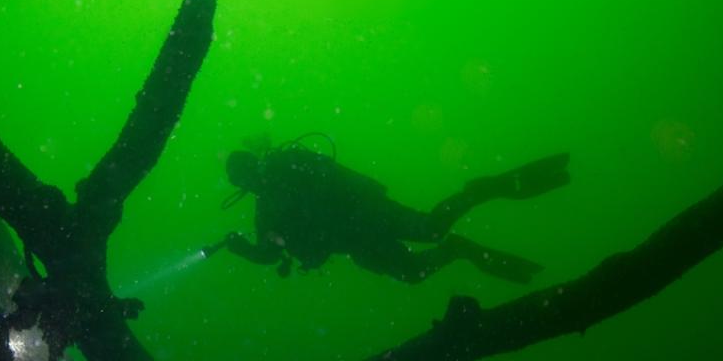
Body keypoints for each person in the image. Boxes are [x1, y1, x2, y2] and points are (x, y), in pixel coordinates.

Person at [207, 143, 570, 284]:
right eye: (239, 180)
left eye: (243, 174)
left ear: (252, 166)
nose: (247, 182)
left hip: (366, 213)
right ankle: (461, 248)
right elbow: (270, 253)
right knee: (413, 272)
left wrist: (252, 246)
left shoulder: (285, 168)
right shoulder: (265, 208)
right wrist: (243, 249)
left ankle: (478, 192)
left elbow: (328, 182)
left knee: (430, 228)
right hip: (355, 240)